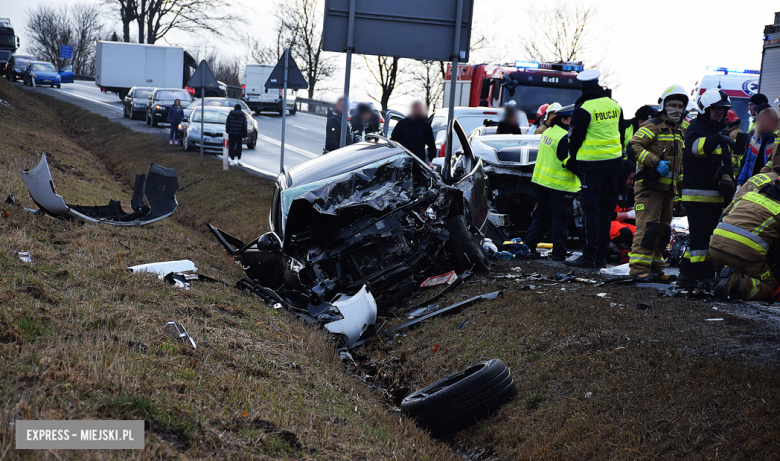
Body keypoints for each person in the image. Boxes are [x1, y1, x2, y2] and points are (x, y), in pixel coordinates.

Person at [564, 69, 625, 269]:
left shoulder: (584, 107)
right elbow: (621, 133)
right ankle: (600, 256)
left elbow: (574, 138)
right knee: (606, 211)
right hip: (613, 166)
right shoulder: (614, 105)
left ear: (583, 86)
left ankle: (589, 256)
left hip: (592, 166)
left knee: (591, 211)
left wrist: (573, 158)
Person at [627, 84, 688, 282]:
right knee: (648, 227)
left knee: (662, 231)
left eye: (680, 106)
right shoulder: (652, 125)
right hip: (649, 188)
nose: (676, 109)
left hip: (667, 191)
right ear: (663, 105)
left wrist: (678, 196)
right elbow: (633, 145)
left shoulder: (678, 131)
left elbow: (679, 169)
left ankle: (655, 268)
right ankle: (638, 269)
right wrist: (654, 162)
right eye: (673, 105)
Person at [678, 89, 735, 290]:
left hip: (715, 197)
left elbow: (725, 162)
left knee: (701, 238)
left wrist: (728, 178)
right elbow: (696, 149)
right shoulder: (697, 127)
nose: (719, 113)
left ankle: (685, 274)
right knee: (703, 241)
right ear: (705, 109)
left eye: (722, 109)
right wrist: (717, 138)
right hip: (698, 196)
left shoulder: (720, 130)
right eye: (716, 109)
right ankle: (703, 278)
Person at [712, 167, 780, 301]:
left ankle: (725, 275)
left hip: (715, 245)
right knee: (772, 286)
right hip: (743, 253)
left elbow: (723, 216)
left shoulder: (750, 195)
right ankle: (737, 282)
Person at [523, 104, 579, 261]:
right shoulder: (565, 137)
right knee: (561, 219)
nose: (575, 122)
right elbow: (568, 162)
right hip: (560, 184)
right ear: (564, 120)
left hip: (542, 182)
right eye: (572, 119)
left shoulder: (549, 131)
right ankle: (559, 254)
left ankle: (528, 246)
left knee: (543, 215)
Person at [737, 106, 779, 186]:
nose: (765, 123)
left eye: (768, 121)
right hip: (752, 183)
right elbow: (748, 163)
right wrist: (740, 182)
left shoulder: (777, 141)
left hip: (769, 185)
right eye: (762, 121)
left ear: (776, 122)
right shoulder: (755, 139)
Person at [609, 159, 637, 263]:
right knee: (625, 232)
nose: (631, 182)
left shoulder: (624, 190)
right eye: (629, 179)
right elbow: (609, 215)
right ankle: (608, 247)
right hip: (607, 223)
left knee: (638, 233)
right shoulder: (612, 189)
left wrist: (631, 211)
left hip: (619, 222)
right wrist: (628, 214)